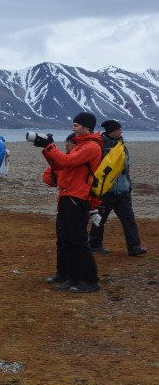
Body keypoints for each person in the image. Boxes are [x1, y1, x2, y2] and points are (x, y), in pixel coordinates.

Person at [36, 112, 103, 293]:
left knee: (78, 240)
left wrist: (50, 147)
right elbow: (60, 165)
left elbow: (68, 161)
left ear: (86, 127)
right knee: (66, 238)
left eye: (76, 125)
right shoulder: (81, 146)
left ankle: (90, 280)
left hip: (78, 197)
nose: (73, 128)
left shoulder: (91, 147)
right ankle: (71, 277)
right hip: (68, 195)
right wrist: (46, 148)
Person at [89, 119, 148, 256]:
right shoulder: (99, 146)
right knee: (100, 219)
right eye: (118, 129)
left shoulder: (121, 146)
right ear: (111, 131)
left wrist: (128, 186)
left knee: (128, 219)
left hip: (122, 191)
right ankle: (94, 244)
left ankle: (134, 247)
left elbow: (126, 169)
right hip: (105, 191)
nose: (121, 131)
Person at [42, 133, 76, 285]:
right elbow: (50, 176)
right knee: (62, 240)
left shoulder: (76, 160)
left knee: (71, 241)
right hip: (64, 201)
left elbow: (52, 174)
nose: (67, 145)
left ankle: (71, 275)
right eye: (66, 142)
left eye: (70, 142)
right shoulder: (66, 160)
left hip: (74, 202)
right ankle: (62, 273)